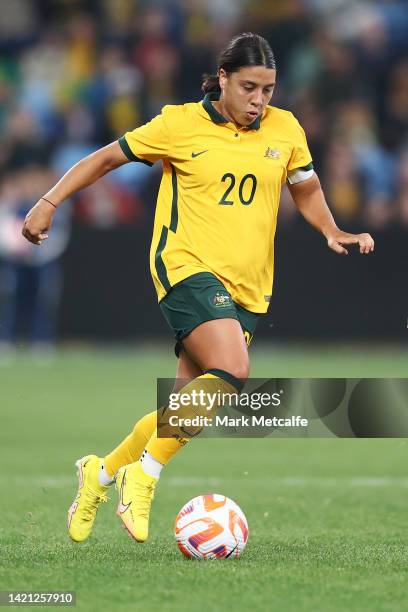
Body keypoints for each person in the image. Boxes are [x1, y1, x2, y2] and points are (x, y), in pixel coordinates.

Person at [22, 32, 374, 544]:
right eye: (249, 87)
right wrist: (49, 201)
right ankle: (142, 478)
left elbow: (306, 186)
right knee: (232, 370)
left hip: (248, 289)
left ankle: (98, 474)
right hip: (185, 267)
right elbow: (103, 159)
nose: (259, 100)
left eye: (269, 90)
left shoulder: (286, 128)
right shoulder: (179, 123)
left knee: (186, 408)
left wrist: (331, 228)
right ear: (224, 79)